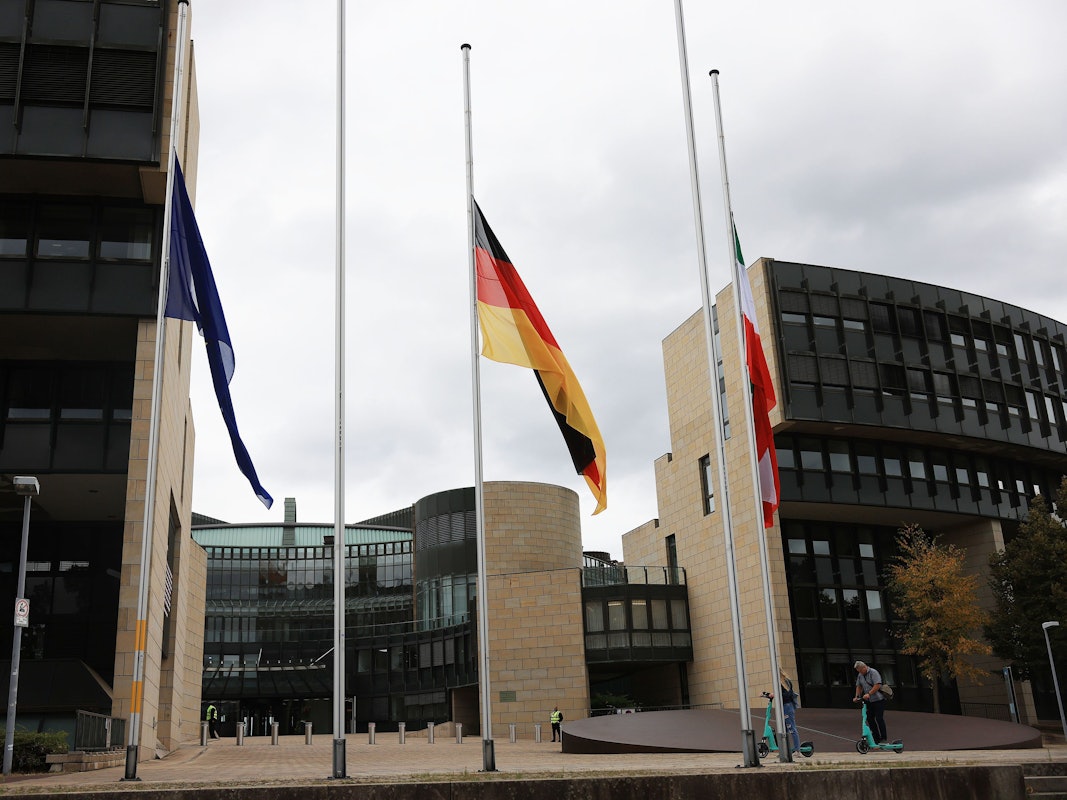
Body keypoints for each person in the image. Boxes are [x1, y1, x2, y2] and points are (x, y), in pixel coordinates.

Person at [853, 660, 887, 743]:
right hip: (869, 701)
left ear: (864, 667)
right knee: (869, 718)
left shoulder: (873, 672)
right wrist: (857, 696)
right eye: (858, 671)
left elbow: (878, 685)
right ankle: (876, 738)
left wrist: (869, 693)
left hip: (878, 700)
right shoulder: (860, 675)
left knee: (879, 718)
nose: (860, 672)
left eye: (861, 670)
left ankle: (883, 737)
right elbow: (859, 686)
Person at [773, 668, 801, 754]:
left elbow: (787, 695)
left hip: (787, 707)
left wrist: (776, 694)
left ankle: (797, 750)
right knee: (784, 729)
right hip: (785, 707)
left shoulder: (784, 682)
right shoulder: (783, 682)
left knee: (791, 727)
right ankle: (785, 751)